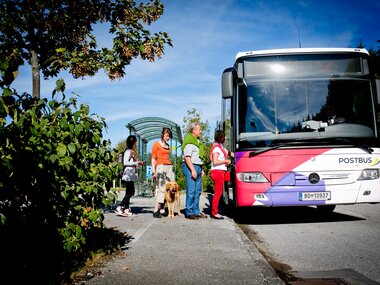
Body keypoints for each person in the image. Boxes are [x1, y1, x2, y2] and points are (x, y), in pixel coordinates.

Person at [181, 122, 207, 220]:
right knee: (191, 191)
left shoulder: (198, 141)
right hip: (190, 167)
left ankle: (196, 211)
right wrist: (193, 170)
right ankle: (189, 212)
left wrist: (201, 169)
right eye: (199, 129)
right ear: (193, 130)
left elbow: (199, 157)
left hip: (198, 167)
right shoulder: (189, 141)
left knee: (198, 191)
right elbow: (187, 157)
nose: (201, 131)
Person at [116, 135, 144, 217]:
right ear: (134, 142)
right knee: (131, 192)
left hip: (130, 174)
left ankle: (126, 209)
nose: (137, 143)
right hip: (128, 174)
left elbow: (131, 162)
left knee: (128, 192)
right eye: (136, 141)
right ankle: (119, 207)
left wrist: (138, 164)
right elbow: (125, 163)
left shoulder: (131, 151)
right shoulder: (128, 151)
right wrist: (136, 163)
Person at [210, 130, 234, 220]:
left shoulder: (221, 147)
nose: (226, 138)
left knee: (232, 182)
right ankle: (214, 212)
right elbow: (215, 162)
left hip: (222, 171)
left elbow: (230, 153)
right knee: (218, 192)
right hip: (217, 172)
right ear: (220, 137)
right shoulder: (216, 148)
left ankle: (221, 208)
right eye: (224, 136)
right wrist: (226, 161)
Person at [151, 127, 175, 218]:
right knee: (161, 188)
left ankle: (162, 209)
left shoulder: (168, 146)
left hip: (169, 166)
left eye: (169, 136)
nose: (167, 138)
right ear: (162, 135)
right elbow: (153, 158)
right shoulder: (156, 144)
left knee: (170, 187)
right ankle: (156, 210)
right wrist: (153, 171)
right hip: (160, 166)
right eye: (166, 136)